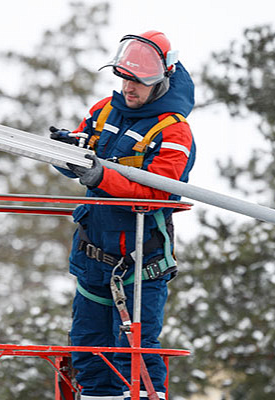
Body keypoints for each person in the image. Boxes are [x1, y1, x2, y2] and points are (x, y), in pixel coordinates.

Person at [51, 31, 195, 400]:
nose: (129, 88)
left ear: (161, 78)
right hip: (92, 257)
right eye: (125, 78)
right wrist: (66, 151)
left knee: (136, 355)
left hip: (140, 264)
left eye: (139, 81)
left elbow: (158, 192)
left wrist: (103, 176)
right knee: (88, 351)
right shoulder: (103, 111)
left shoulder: (173, 130)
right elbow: (84, 155)